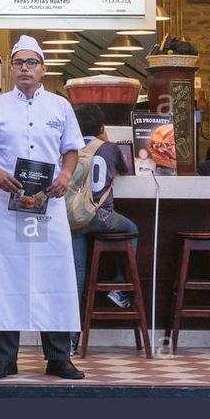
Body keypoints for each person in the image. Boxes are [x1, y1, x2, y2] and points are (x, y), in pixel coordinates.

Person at [0, 35, 86, 380]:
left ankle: (58, 357)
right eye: (19, 63)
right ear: (11, 68)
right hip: (9, 208)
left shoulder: (59, 106)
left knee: (53, 275)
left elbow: (71, 149)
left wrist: (66, 175)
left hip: (48, 207)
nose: (25, 68)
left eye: (32, 63)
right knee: (6, 276)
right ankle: (4, 360)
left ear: (43, 68)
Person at [70, 103, 138, 310]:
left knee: (78, 268)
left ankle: (72, 325)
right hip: (102, 217)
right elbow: (125, 170)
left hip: (75, 215)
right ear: (101, 127)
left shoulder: (70, 148)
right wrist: (105, 139)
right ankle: (119, 285)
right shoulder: (110, 148)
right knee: (132, 230)